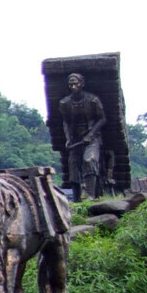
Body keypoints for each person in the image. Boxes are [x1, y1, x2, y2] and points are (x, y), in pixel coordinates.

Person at [58, 72, 107, 202]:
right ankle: (77, 199)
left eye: (75, 84)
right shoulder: (65, 103)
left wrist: (90, 135)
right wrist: (68, 138)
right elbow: (66, 122)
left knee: (89, 160)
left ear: (82, 84)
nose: (73, 87)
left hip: (92, 138)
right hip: (75, 139)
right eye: (70, 84)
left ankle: (90, 195)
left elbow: (102, 119)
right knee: (73, 165)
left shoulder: (92, 100)